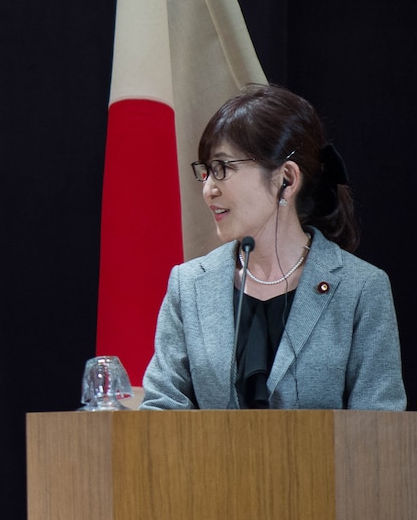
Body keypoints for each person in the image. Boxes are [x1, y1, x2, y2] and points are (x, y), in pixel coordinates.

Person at [141, 83, 405, 411]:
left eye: (223, 169)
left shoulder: (361, 288)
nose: (208, 189)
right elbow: (160, 411)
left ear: (287, 179)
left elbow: (380, 431)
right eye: (206, 172)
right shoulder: (189, 285)